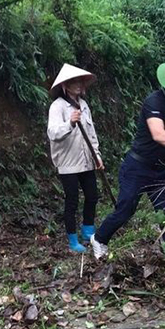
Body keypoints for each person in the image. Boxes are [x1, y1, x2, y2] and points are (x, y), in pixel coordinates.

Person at [91, 58, 165, 259]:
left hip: (160, 171)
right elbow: (159, 134)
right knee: (125, 210)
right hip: (137, 166)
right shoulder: (154, 102)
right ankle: (100, 239)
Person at [47, 64, 104, 253]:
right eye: (73, 82)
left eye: (79, 81)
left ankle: (88, 230)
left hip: (86, 160)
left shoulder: (84, 104)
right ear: (65, 85)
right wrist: (69, 122)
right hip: (67, 162)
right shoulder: (57, 107)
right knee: (72, 200)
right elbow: (53, 132)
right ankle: (72, 240)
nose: (78, 84)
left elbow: (92, 133)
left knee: (92, 196)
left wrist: (97, 155)